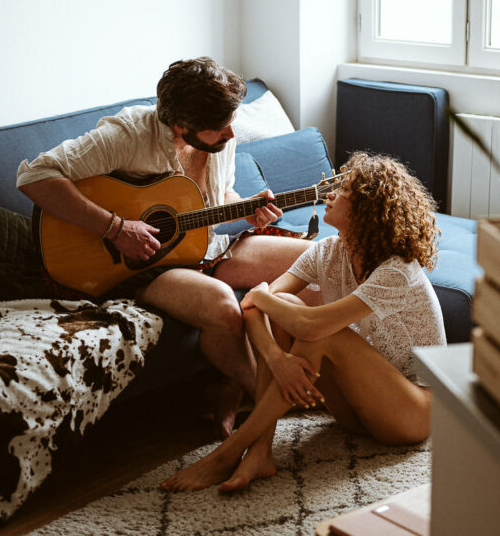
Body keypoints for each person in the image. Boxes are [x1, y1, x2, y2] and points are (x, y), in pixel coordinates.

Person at [16, 57, 315, 438]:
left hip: (210, 244)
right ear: (180, 126)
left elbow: (217, 202)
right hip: (148, 263)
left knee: (314, 260)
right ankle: (275, 400)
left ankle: (234, 384)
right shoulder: (127, 136)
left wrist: (247, 213)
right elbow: (33, 176)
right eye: (219, 127)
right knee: (222, 304)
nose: (230, 133)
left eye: (230, 122)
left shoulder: (222, 136)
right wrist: (116, 228)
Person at [160, 152, 447, 493]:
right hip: (355, 411)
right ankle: (260, 451)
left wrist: (262, 296)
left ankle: (230, 451)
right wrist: (277, 359)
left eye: (342, 192)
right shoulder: (327, 252)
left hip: (412, 413)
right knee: (288, 305)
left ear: (366, 210)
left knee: (322, 331)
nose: (330, 194)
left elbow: (293, 318)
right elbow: (254, 309)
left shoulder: (397, 270)